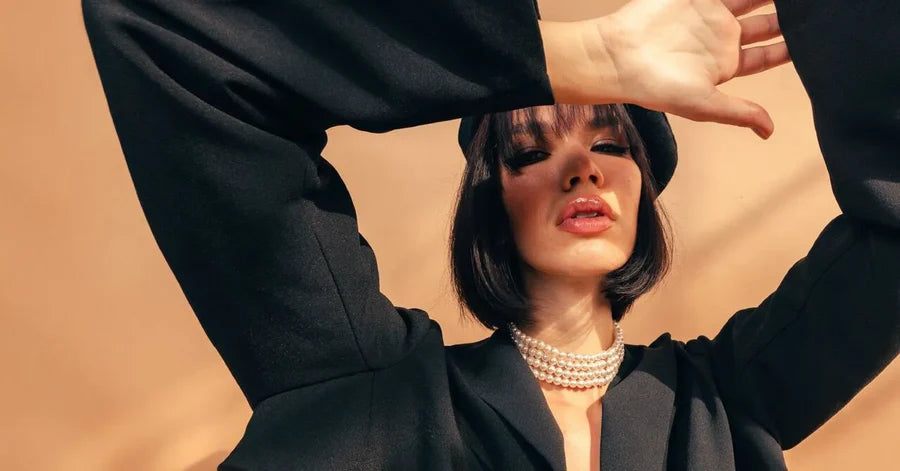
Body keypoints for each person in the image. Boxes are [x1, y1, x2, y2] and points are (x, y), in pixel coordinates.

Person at [81, 0, 899, 469]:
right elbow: (160, 29)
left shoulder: (723, 403)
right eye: (531, 152)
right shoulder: (375, 391)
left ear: (643, 194)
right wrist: (574, 53)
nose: (581, 169)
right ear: (489, 201)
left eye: (611, 146)